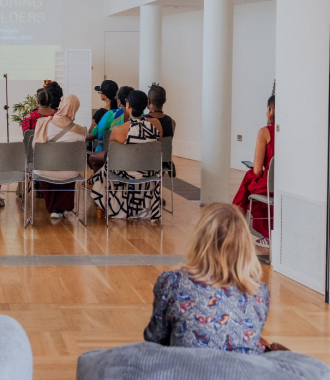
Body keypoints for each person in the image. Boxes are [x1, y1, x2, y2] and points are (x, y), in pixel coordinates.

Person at [144, 203, 270, 354]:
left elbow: (154, 338)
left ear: (200, 241)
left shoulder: (173, 282)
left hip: (187, 371)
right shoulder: (259, 291)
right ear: (245, 245)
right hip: (244, 373)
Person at [90, 90, 163, 221]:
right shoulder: (157, 125)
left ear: (128, 105)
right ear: (146, 105)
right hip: (149, 172)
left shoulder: (119, 130)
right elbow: (157, 146)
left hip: (123, 173)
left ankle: (100, 199)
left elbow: (113, 152)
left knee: (107, 166)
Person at [33, 95, 86, 219]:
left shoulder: (43, 124)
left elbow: (35, 147)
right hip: (69, 172)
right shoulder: (80, 131)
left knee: (48, 166)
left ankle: (53, 208)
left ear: (61, 105)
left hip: (44, 170)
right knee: (67, 167)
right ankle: (60, 207)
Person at [232, 95, 275, 248]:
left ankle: (236, 225)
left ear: (271, 110)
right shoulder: (290, 133)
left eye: (268, 109)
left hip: (270, 186)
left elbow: (257, 170)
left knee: (249, 179)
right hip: (286, 185)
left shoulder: (264, 132)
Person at [87, 86, 133, 153]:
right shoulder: (141, 117)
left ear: (119, 100)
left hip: (112, 154)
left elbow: (97, 133)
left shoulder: (112, 114)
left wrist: (82, 138)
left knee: (93, 157)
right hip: (135, 155)